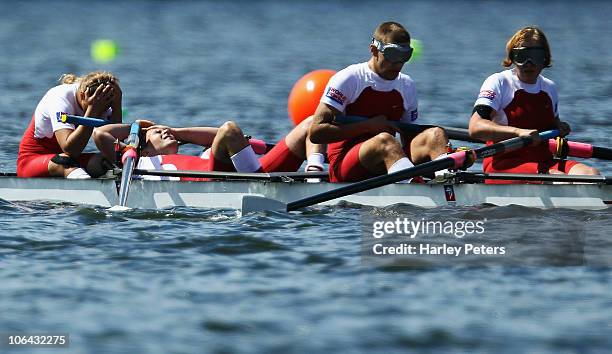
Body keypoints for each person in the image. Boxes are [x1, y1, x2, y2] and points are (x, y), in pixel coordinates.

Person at [308, 21, 450, 183]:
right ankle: (415, 186)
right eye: (393, 55)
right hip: (345, 166)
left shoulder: (407, 85)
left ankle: (446, 181)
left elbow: (410, 138)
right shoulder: (349, 78)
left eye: (405, 56)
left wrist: (441, 154)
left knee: (436, 134)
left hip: (385, 159)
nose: (398, 64)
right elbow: (316, 132)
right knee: (385, 140)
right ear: (374, 50)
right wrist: (368, 126)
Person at [468, 26, 599, 183]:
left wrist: (560, 127)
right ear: (512, 57)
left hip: (544, 162)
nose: (528, 63)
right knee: (559, 178)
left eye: (535, 56)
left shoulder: (549, 88)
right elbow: (475, 127)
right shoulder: (499, 82)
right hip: (503, 165)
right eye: (522, 56)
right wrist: (518, 132)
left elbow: (551, 125)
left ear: (545, 59)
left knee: (591, 174)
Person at [93, 116, 326, 180]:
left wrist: (177, 132)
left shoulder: (201, 155)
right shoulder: (137, 162)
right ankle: (258, 181)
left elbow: (218, 137)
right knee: (230, 129)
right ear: (143, 148)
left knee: (311, 124)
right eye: (157, 132)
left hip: (255, 173)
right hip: (227, 181)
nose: (163, 130)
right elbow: (100, 133)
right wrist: (137, 126)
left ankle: (315, 175)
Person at [17, 71, 122, 178]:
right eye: (100, 108)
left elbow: (116, 146)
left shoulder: (101, 100)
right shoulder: (59, 98)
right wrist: (93, 111)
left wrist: (117, 106)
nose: (103, 112)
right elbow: (71, 150)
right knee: (65, 161)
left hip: (67, 159)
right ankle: (87, 191)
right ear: (82, 96)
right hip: (32, 161)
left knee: (109, 161)